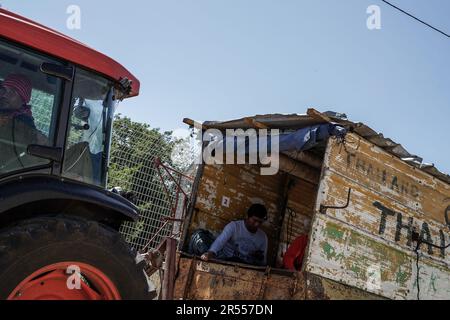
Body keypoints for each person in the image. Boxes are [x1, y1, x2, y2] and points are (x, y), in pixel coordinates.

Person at [201, 204, 269, 266]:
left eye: (260, 222)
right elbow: (220, 241)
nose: (257, 224)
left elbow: (263, 262)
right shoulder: (234, 226)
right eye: (254, 220)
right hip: (226, 260)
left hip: (246, 266)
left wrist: (259, 258)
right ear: (247, 216)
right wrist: (210, 253)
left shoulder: (263, 238)